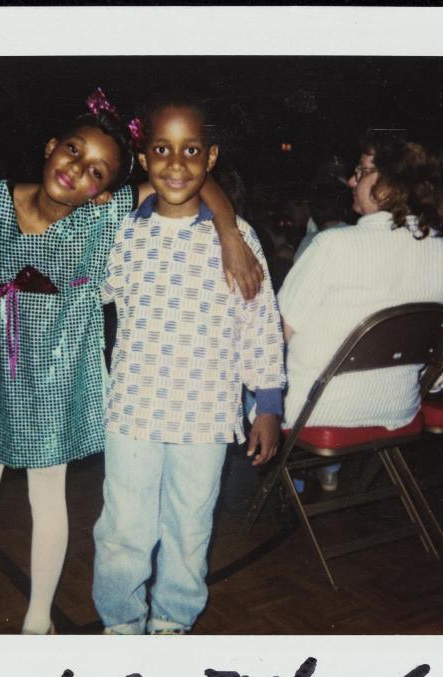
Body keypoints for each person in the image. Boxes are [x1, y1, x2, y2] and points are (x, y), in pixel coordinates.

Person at [0, 88, 263, 636]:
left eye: (98, 174)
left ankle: (39, 622)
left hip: (62, 377)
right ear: (50, 145)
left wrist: (228, 230)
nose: (79, 172)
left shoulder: (99, 222)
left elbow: (184, 174)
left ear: (105, 193)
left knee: (48, 496)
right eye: (74, 152)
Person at [93, 94, 285, 635]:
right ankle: (121, 623)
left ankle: (173, 620)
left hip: (205, 414)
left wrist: (267, 403)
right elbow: (84, 296)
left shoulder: (238, 239)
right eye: (162, 149)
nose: (176, 164)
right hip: (133, 409)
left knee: (189, 525)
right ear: (144, 157)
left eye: (191, 150)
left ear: (212, 158)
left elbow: (260, 323)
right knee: (124, 528)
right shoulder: (121, 232)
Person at [277, 130, 443, 489]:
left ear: (392, 183)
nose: (350, 180)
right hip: (399, 408)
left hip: (317, 411)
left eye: (361, 171)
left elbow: (275, 333)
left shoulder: (332, 246)